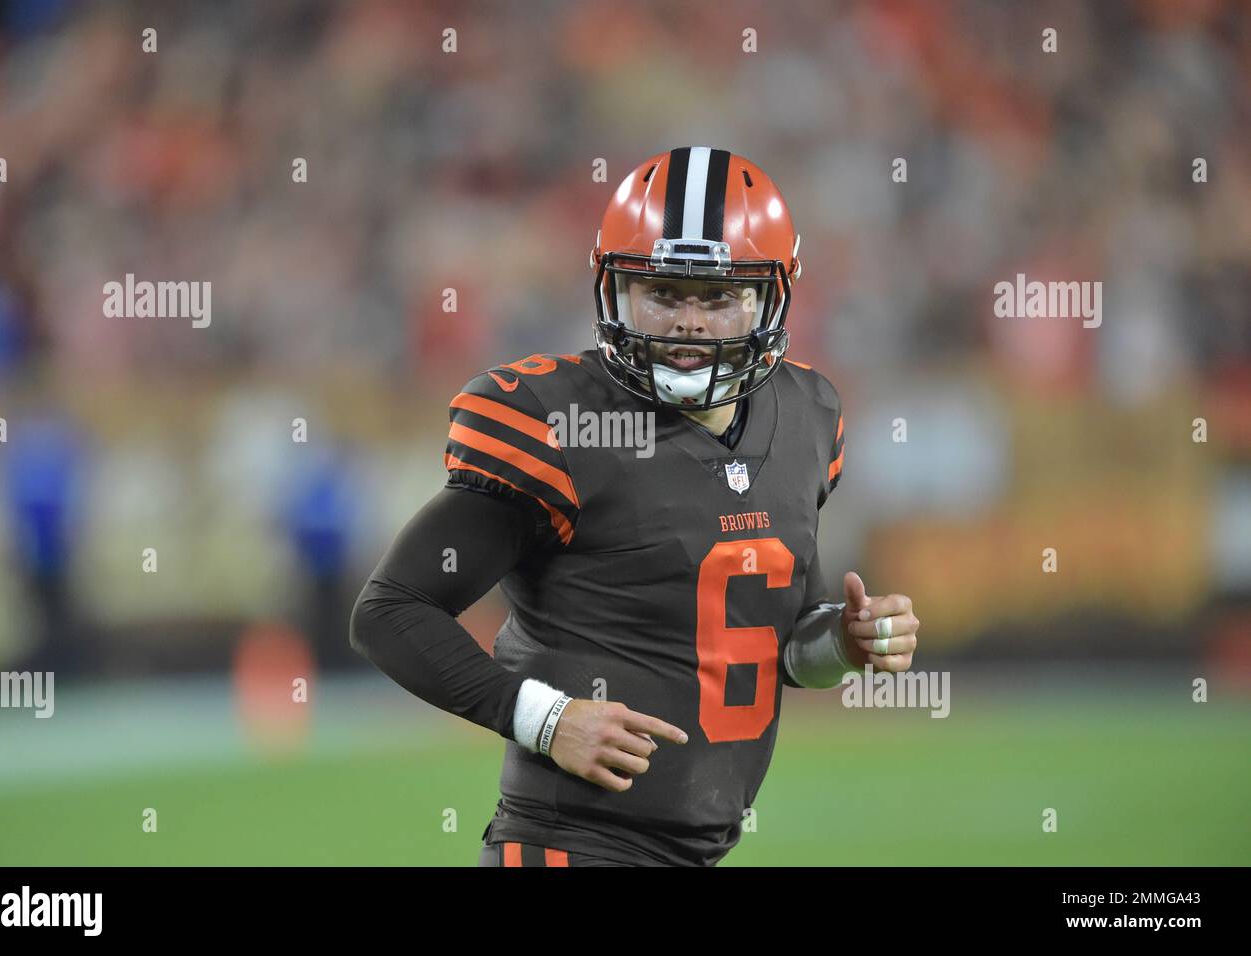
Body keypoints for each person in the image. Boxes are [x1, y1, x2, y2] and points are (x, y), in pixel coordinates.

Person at [350, 146, 921, 867]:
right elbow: (390, 610)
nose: (688, 322)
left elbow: (772, 651)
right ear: (613, 289)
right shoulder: (560, 423)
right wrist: (546, 718)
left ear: (771, 298)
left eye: (717, 297)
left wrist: (841, 643)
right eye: (662, 292)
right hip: (570, 847)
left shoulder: (807, 416)